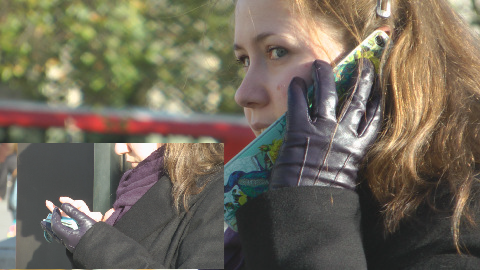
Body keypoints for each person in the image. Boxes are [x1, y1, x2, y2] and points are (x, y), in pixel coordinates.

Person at [225, 0, 480, 269]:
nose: (243, 94)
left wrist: (309, 210)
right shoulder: (238, 230)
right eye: (244, 60)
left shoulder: (461, 221)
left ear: (374, 56)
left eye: (277, 51)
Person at [41, 143, 224, 269]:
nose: (119, 149)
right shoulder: (137, 186)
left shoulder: (219, 190)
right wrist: (92, 234)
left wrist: (94, 242)